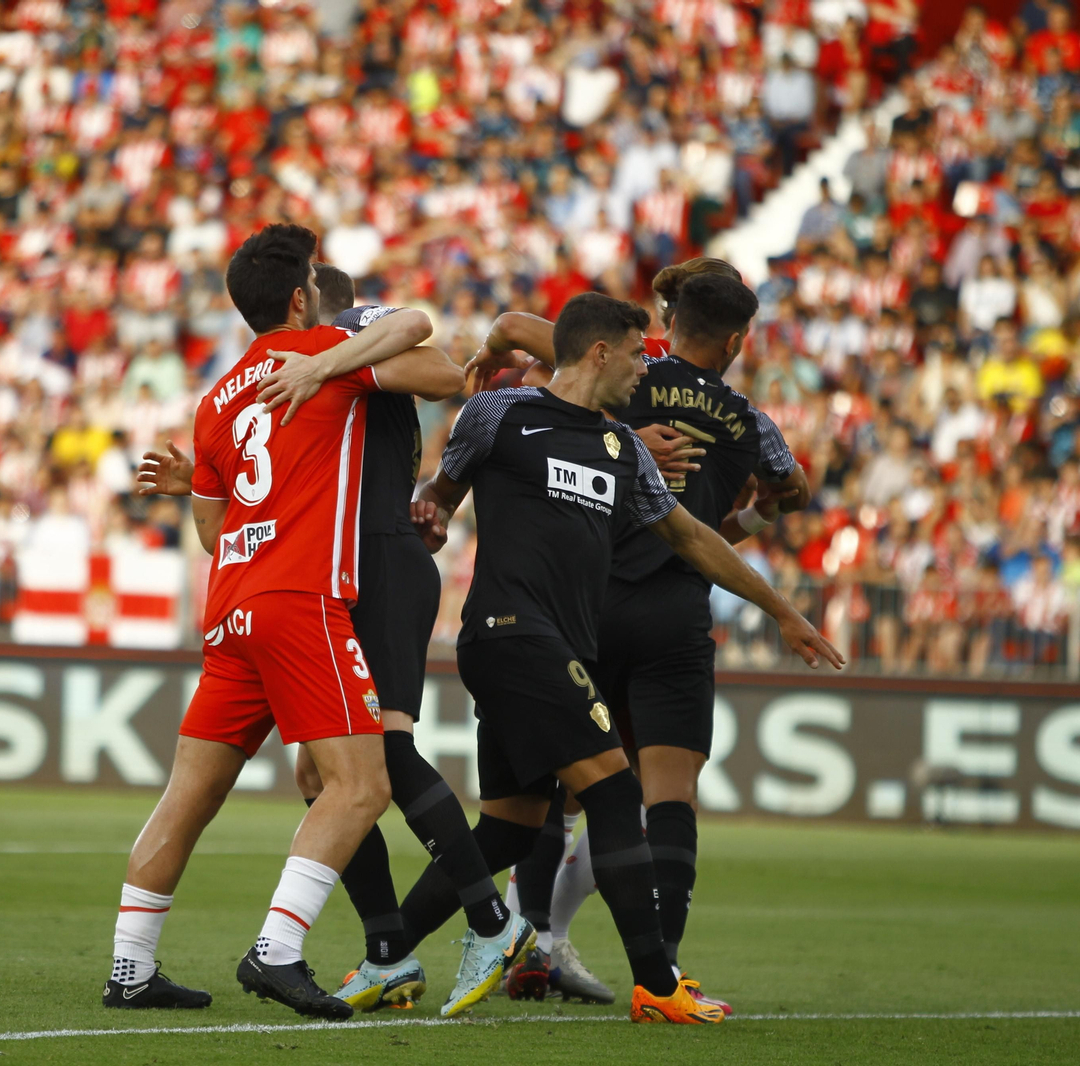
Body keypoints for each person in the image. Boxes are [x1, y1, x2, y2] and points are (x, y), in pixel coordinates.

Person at [399, 292, 842, 1025]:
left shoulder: (624, 448)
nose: (647, 368)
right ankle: (656, 983)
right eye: (638, 354)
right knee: (610, 792)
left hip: (552, 646)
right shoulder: (498, 413)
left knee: (509, 828)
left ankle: (386, 954)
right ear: (601, 353)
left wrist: (784, 609)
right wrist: (430, 514)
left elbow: (695, 537)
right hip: (511, 632)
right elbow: (439, 493)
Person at [150, 263, 533, 1018]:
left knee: (380, 754)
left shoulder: (350, 335)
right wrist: (204, 483)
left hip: (378, 560)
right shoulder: (280, 374)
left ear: (314, 300)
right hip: (331, 576)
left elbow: (444, 370)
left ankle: (493, 921)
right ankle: (389, 950)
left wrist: (333, 354)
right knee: (321, 780)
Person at [506, 273, 810, 1013]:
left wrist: (495, 355)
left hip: (589, 600)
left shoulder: (624, 375)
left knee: (564, 784)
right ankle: (663, 974)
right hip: (675, 608)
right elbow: (777, 491)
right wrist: (768, 512)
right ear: (737, 341)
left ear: (668, 323)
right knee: (667, 796)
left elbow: (523, 331)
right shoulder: (748, 420)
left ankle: (534, 944)